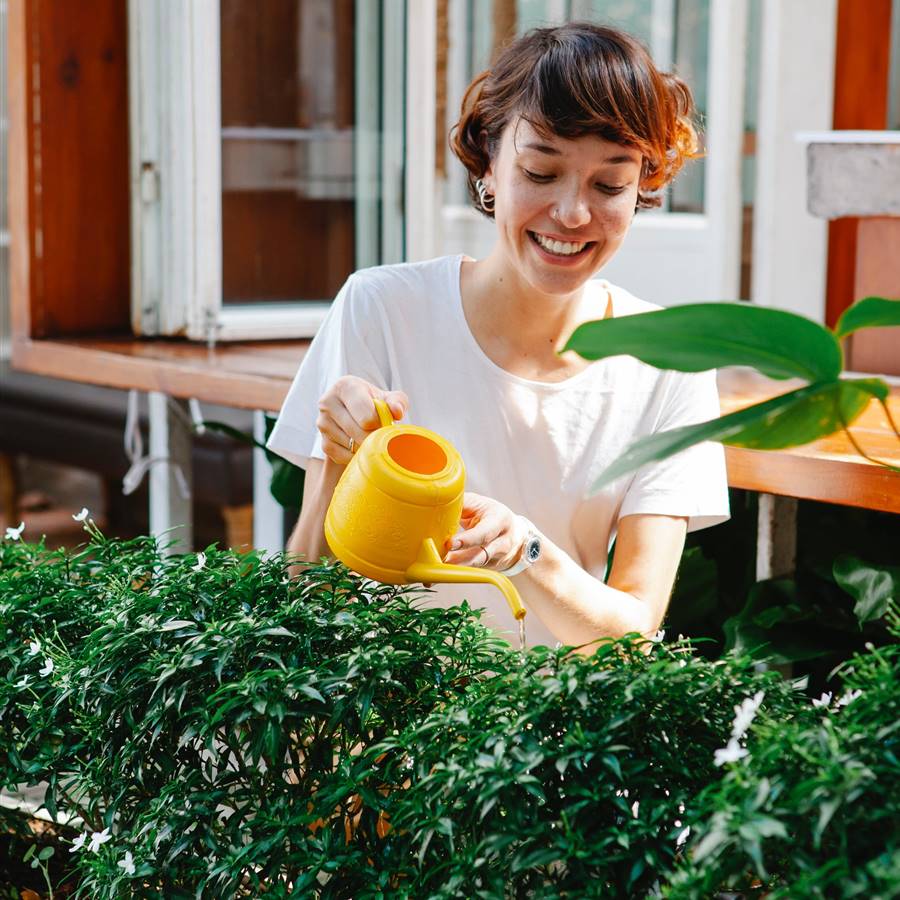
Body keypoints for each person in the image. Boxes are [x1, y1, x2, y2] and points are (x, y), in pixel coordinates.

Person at [267, 22, 729, 651]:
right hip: (388, 731)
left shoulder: (669, 365)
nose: (572, 214)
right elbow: (311, 594)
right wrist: (339, 462)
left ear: (643, 185)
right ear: (490, 158)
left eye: (610, 185)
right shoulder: (383, 309)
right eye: (541, 172)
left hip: (552, 741)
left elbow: (633, 634)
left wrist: (526, 551)